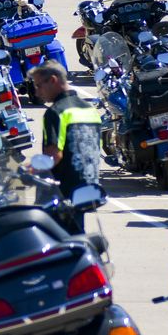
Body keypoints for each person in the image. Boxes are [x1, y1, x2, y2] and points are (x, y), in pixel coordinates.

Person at [28, 62, 103, 222]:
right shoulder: (90, 109)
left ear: (53, 80)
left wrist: (28, 170)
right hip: (87, 188)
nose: (36, 92)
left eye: (39, 85)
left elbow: (53, 156)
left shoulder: (56, 112)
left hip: (61, 193)